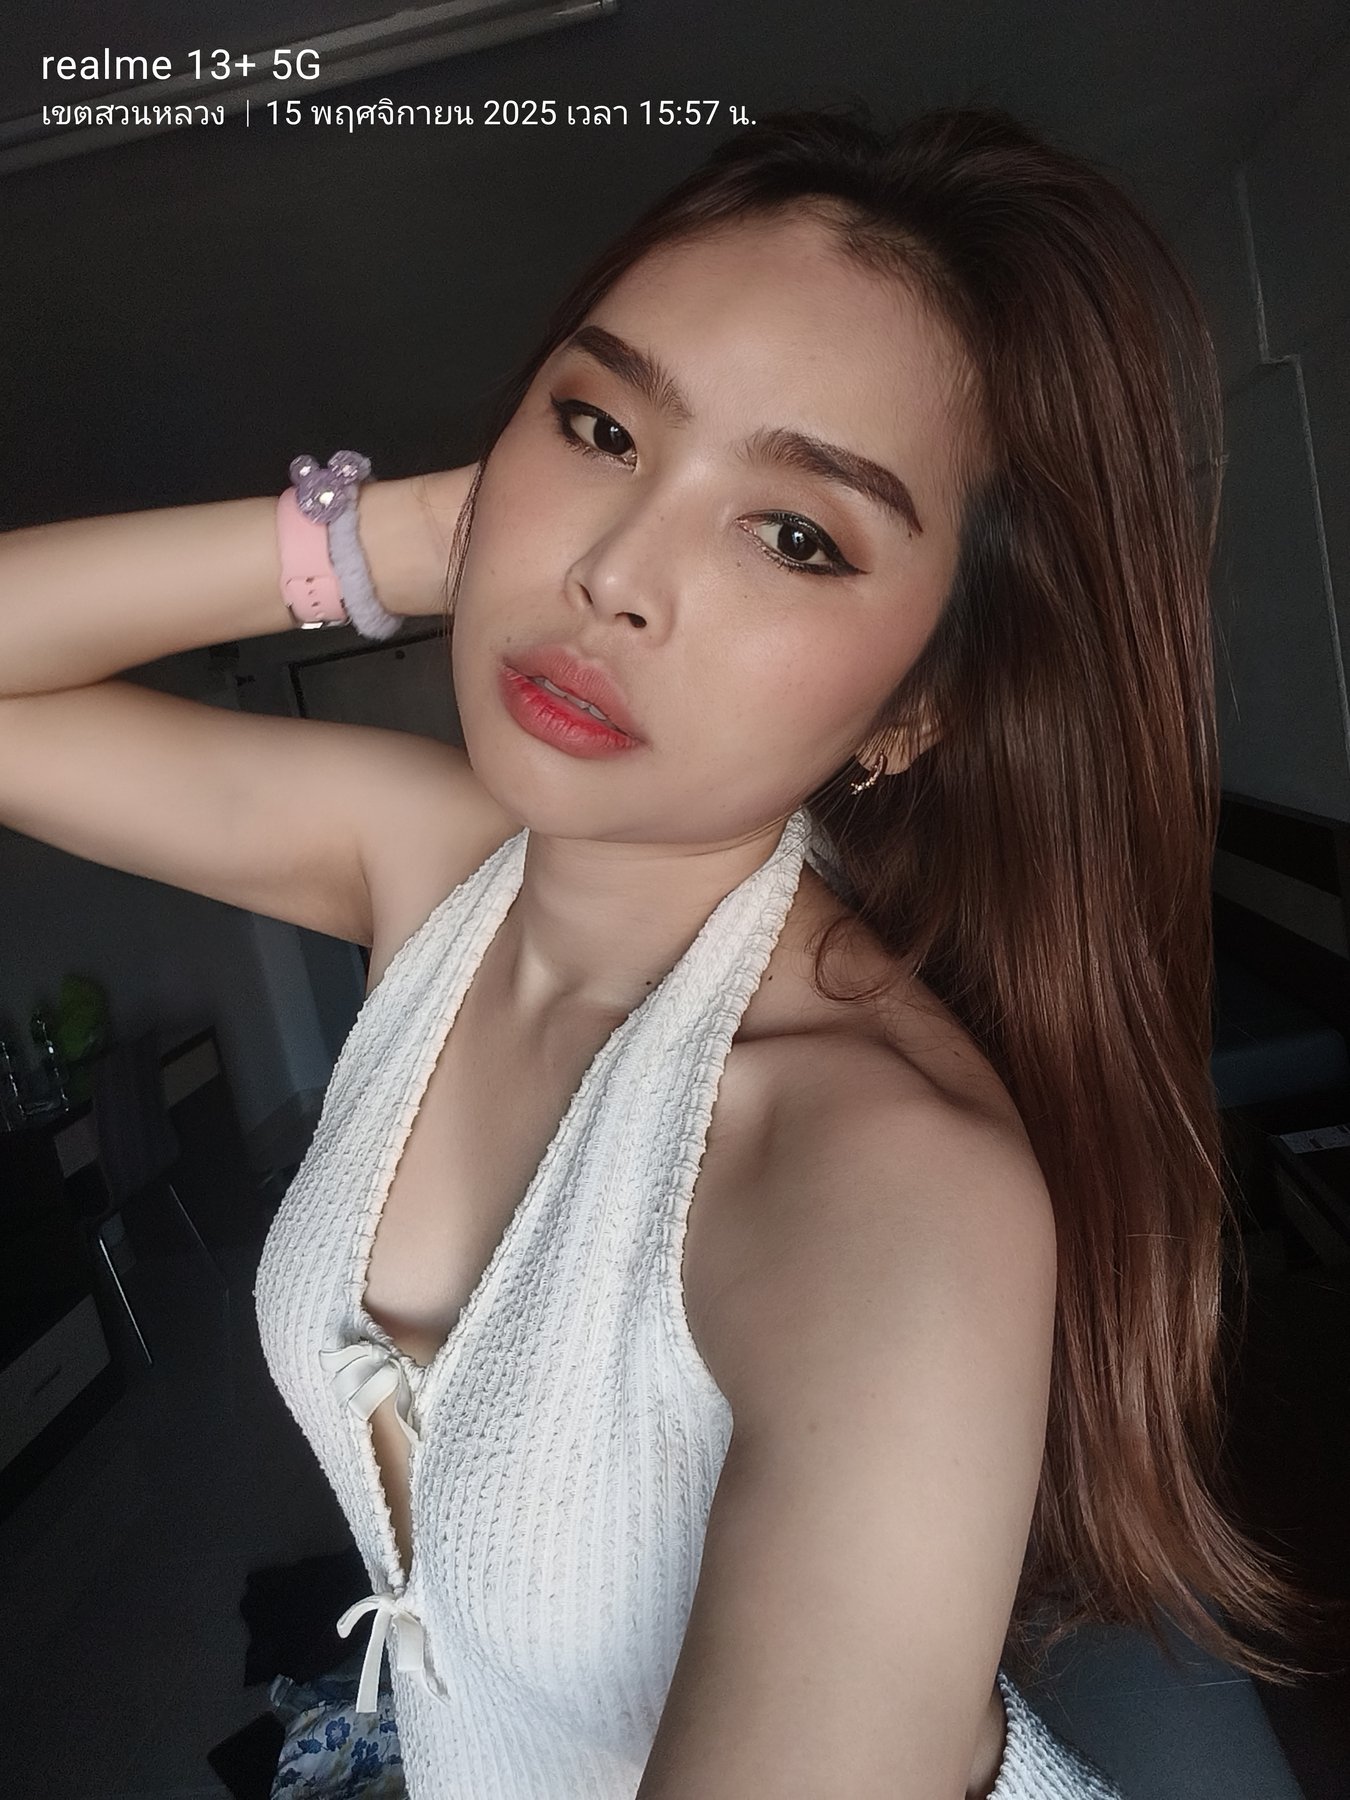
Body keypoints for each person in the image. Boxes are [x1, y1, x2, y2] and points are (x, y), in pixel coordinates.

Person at [0, 103, 1329, 1800]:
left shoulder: (879, 1175)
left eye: (796, 534)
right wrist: (410, 536)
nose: (613, 575)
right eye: (600, 425)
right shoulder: (434, 865)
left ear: (915, 710)